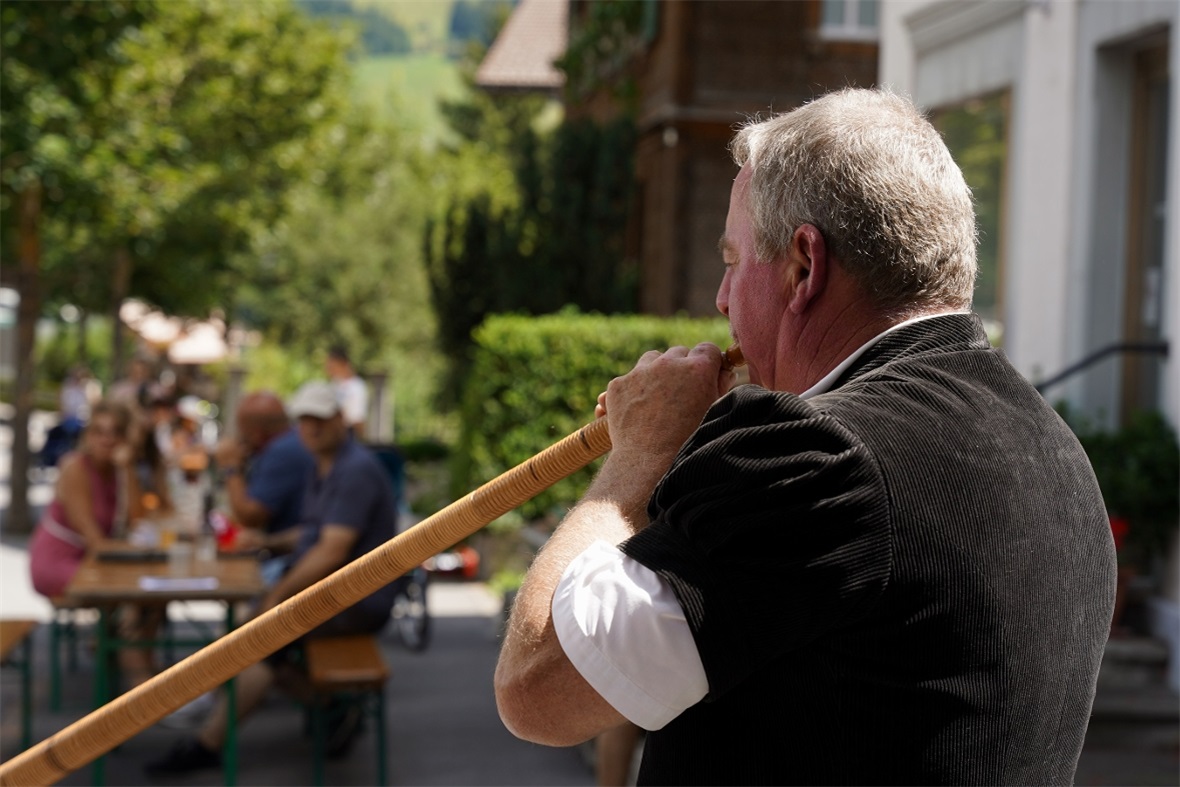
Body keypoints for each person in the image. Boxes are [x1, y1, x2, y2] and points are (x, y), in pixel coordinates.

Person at [494, 89, 1117, 785]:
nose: (723, 300)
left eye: (733, 262)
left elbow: (537, 689)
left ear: (802, 266)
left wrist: (638, 456)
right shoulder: (1058, 449)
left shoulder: (814, 459)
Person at [147, 380, 400, 775]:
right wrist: (269, 540)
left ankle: (207, 742)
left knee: (260, 638)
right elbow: (313, 532)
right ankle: (329, 708)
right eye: (305, 420)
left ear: (339, 419)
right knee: (252, 635)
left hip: (358, 602)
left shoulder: (354, 470)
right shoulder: (328, 464)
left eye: (319, 419)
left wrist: (278, 596)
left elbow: (331, 549)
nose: (311, 428)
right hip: (335, 595)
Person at [28, 399, 164, 686]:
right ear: (88, 436)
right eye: (99, 431)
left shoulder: (116, 470)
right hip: (59, 561)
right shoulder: (74, 468)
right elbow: (97, 543)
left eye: (115, 432)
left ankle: (132, 658)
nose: (106, 439)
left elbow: (136, 523)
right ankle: (140, 681)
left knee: (154, 596)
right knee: (135, 598)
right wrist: (148, 553)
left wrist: (127, 469)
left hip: (93, 563)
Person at [213, 390, 315, 583]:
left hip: (291, 564)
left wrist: (230, 467)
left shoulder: (281, 452)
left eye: (242, 433)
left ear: (257, 434)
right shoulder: (290, 442)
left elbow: (249, 517)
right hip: (294, 555)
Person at [325, 345, 368, 440]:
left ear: (343, 364)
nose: (329, 370)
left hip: (348, 436)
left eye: (332, 366)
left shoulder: (357, 387)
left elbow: (358, 419)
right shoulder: (334, 384)